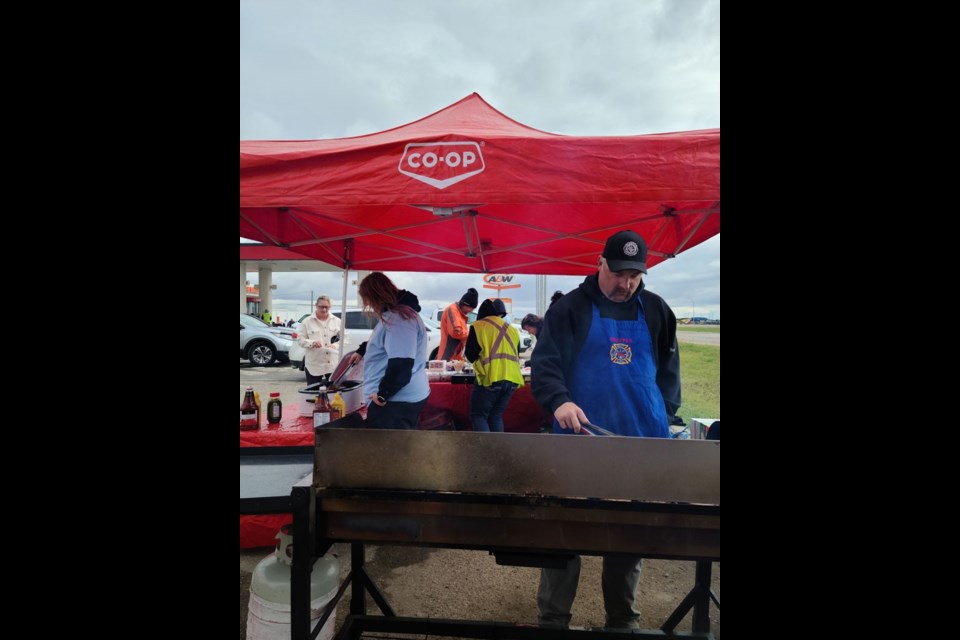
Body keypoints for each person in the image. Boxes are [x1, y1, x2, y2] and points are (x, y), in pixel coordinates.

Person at [530, 229, 680, 630]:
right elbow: (545, 366)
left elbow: (669, 371)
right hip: (580, 444)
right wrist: (559, 400)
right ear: (601, 263)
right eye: (617, 273)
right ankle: (553, 619)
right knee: (565, 534)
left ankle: (622, 620)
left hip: (639, 444)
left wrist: (665, 412)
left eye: (633, 275)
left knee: (628, 536)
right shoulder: (571, 309)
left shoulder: (657, 310)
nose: (625, 283)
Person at [357, 272, 430, 429]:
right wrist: (362, 350)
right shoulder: (397, 315)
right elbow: (384, 342)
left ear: (375, 296)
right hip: (399, 399)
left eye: (368, 301)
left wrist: (383, 394)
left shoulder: (398, 319)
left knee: (392, 451)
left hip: (396, 402)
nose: (369, 305)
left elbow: (402, 363)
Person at [464, 299, 524, 432]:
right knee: (495, 416)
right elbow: (517, 353)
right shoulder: (512, 329)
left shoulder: (478, 326)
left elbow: (470, 355)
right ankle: (497, 451)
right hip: (512, 379)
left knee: (479, 415)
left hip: (491, 378)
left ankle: (486, 451)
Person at [297, 296, 344, 386]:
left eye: (327, 307)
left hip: (332, 365)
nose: (324, 309)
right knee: (312, 394)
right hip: (314, 365)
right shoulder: (307, 322)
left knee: (334, 394)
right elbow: (300, 340)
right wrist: (312, 343)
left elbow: (346, 338)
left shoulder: (337, 321)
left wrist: (336, 345)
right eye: (321, 307)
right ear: (316, 306)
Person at [438, 287, 478, 361]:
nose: (471, 310)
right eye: (471, 308)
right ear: (464, 304)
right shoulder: (452, 310)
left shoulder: (461, 314)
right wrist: (471, 335)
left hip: (455, 357)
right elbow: (456, 332)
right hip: (447, 356)